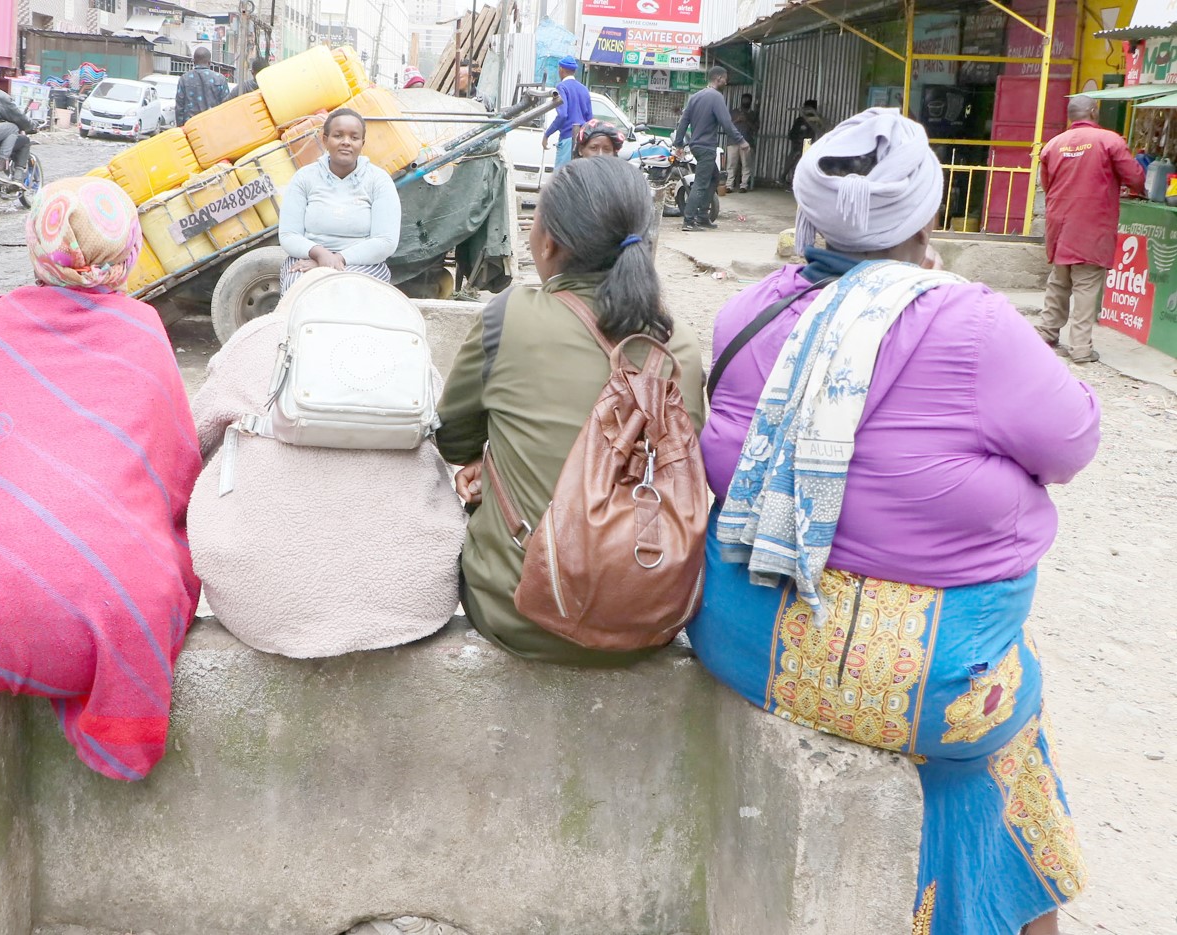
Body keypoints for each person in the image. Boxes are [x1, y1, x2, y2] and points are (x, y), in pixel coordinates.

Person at [688, 108, 1098, 935]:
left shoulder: (748, 314)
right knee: (992, 722)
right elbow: (1072, 441)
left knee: (968, 731)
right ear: (926, 219)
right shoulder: (973, 323)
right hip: (924, 675)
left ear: (807, 216)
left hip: (745, 636)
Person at [0, 177, 203, 781]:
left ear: (37, 247)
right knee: (158, 558)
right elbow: (178, 479)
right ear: (127, 251)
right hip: (110, 626)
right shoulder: (142, 331)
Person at [435, 156, 705, 667]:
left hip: (518, 612)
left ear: (549, 242)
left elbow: (451, 439)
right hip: (649, 613)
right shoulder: (680, 345)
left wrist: (491, 460)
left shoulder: (508, 315)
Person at [187, 268, 465, 657]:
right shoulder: (405, 351)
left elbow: (190, 445)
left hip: (262, 605)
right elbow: (450, 440)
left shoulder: (256, 339)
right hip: (416, 598)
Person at [1037, 94, 1145, 364]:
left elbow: (1047, 185)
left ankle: (1047, 334)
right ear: (1095, 112)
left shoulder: (1053, 145)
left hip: (1059, 223)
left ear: (1071, 116)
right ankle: (1081, 348)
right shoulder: (1110, 141)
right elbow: (1134, 177)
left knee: (1060, 280)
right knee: (1085, 284)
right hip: (1091, 224)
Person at [278, 107, 401, 290]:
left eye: (354, 137)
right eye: (338, 135)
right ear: (325, 139)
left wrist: (336, 260)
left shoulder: (379, 180)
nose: (346, 142)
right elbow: (289, 235)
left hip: (364, 263)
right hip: (307, 258)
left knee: (352, 290)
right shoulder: (304, 178)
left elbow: (385, 241)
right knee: (299, 291)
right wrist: (320, 255)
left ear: (362, 143)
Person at [672, 65, 746, 231]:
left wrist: (679, 143)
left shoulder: (695, 97)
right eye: (725, 78)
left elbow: (684, 121)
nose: (726, 82)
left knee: (714, 177)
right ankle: (689, 221)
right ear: (718, 78)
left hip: (696, 146)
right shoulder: (716, 97)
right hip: (706, 147)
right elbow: (726, 123)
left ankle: (703, 216)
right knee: (701, 182)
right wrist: (741, 141)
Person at [542, 55, 592, 167]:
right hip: (582, 140)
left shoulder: (562, 87)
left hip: (568, 138)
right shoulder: (584, 89)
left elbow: (562, 115)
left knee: (561, 177)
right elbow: (590, 119)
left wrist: (547, 134)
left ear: (561, 69)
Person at [175, 47, 229, 125]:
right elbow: (226, 106)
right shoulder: (220, 79)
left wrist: (180, 127)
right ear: (209, 62)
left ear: (194, 62)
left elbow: (179, 107)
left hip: (191, 127)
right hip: (214, 126)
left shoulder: (184, 79)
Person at [782, 99, 825, 188]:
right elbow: (792, 133)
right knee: (793, 163)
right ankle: (785, 179)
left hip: (808, 143)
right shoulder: (800, 120)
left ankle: (799, 183)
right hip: (798, 143)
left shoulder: (816, 120)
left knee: (802, 165)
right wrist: (796, 143)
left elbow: (820, 131)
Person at [726, 92, 758, 192]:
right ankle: (729, 186)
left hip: (747, 142)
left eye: (747, 100)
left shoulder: (753, 114)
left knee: (746, 165)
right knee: (731, 164)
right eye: (744, 100)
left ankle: (743, 186)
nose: (745, 102)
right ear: (741, 100)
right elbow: (727, 125)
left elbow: (756, 129)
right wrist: (737, 119)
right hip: (733, 142)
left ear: (751, 102)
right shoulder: (734, 112)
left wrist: (746, 120)